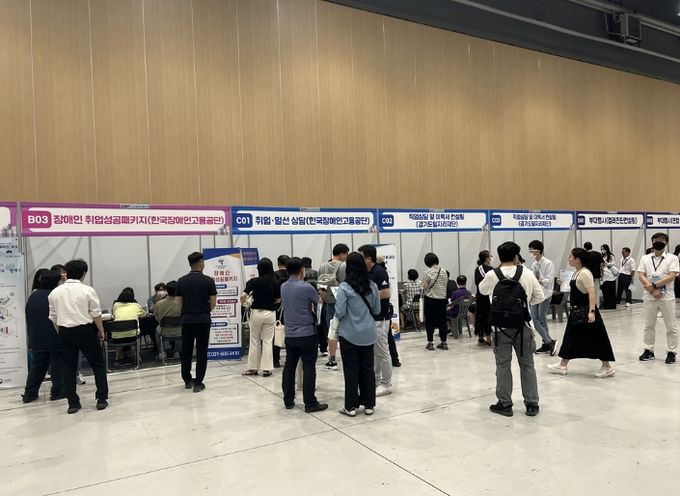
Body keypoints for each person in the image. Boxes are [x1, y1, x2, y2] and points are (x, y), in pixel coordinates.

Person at [479, 242, 543, 417]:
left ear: (499, 257)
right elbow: (539, 297)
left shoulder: (492, 274)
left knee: (503, 366)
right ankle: (532, 404)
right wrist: (525, 302)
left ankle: (505, 404)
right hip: (523, 327)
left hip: (500, 329)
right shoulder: (526, 273)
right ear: (516, 256)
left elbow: (482, 291)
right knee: (527, 365)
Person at [48, 259, 108, 414]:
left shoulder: (55, 292)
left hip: (64, 332)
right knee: (98, 364)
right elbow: (96, 313)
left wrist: (60, 331)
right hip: (85, 331)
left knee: (68, 368)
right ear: (83, 274)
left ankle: (73, 403)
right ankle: (101, 399)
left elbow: (53, 317)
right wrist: (101, 330)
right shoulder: (87, 290)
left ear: (66, 273)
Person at [548, 248, 615, 377]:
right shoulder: (577, 272)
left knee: (598, 339)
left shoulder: (585, 273)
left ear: (578, 259)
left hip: (586, 312)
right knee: (570, 338)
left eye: (570, 256)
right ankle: (562, 365)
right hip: (577, 312)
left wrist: (592, 311)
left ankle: (607, 366)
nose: (569, 258)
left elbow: (591, 293)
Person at [334, 252, 381, 417]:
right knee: (368, 369)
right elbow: (377, 310)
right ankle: (369, 405)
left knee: (351, 371)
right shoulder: (372, 286)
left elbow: (340, 312)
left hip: (349, 335)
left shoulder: (344, 287)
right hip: (368, 334)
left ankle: (351, 406)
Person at [280, 257, 327, 412]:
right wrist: (322, 295)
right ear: (302, 270)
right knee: (309, 367)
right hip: (307, 333)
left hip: (290, 335)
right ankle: (310, 403)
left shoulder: (283, 287)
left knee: (289, 367)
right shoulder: (306, 287)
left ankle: (288, 400)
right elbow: (318, 301)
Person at [176, 252, 217, 392]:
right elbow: (213, 302)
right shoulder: (209, 281)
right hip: (203, 320)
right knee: (202, 351)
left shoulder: (181, 281)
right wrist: (204, 311)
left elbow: (178, 303)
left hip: (187, 320)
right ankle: (198, 383)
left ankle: (187, 380)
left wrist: (187, 311)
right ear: (200, 263)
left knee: (186, 350)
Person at [22, 270, 64, 403]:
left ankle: (30, 393)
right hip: (54, 336)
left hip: (36, 337)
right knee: (58, 365)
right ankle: (57, 392)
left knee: (38, 366)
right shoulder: (55, 296)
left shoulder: (33, 296)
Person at [637, 233, 678, 364]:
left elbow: (672, 276)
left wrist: (654, 285)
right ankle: (649, 350)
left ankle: (672, 352)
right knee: (649, 325)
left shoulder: (672, 258)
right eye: (655, 239)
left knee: (671, 326)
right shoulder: (645, 258)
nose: (658, 241)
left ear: (666, 242)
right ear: (652, 242)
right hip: (649, 297)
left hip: (667, 297)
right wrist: (652, 289)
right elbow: (641, 275)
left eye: (661, 239)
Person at [358, 245, 393, 397]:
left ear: (368, 258)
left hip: (381, 318)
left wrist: (367, 294)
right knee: (375, 353)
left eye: (361, 257)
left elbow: (386, 293)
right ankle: (376, 380)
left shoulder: (379, 272)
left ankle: (386, 384)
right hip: (370, 318)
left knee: (383, 352)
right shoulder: (366, 272)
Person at [240, 258, 280, 377]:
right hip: (270, 313)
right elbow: (279, 299)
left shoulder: (253, 281)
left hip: (256, 313)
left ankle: (253, 368)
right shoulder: (275, 281)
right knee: (267, 341)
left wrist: (245, 302)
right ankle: (267, 369)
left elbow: (243, 296)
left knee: (254, 340)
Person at [317, 243, 349, 370]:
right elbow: (346, 285)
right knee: (345, 330)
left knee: (332, 331)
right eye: (346, 254)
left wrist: (325, 297)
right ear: (341, 254)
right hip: (342, 303)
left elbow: (320, 286)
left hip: (329, 303)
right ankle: (347, 356)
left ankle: (332, 358)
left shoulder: (322, 266)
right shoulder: (344, 266)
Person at [528, 240, 558, 355]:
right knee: (537, 319)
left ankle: (548, 342)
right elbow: (532, 278)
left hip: (545, 294)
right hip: (535, 294)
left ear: (539, 250)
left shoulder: (548, 263)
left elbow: (549, 280)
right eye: (530, 250)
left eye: (532, 250)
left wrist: (538, 280)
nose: (531, 252)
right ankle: (547, 342)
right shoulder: (534, 264)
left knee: (539, 320)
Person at [421, 252, 449, 351]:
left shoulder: (427, 272)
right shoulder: (444, 271)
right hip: (442, 300)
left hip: (430, 299)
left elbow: (424, 287)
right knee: (442, 321)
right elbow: (445, 284)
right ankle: (444, 342)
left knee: (430, 321)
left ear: (427, 262)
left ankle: (430, 342)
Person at [111, 287, 146, 363]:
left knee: (120, 333)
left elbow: (113, 315)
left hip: (116, 337)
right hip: (133, 336)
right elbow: (144, 315)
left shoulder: (116, 305)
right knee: (138, 332)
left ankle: (117, 357)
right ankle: (137, 355)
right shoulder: (136, 305)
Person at [153, 280, 182, 358]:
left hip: (164, 331)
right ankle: (177, 352)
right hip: (180, 331)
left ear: (166, 291)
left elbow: (157, 318)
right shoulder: (183, 302)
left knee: (157, 328)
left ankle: (162, 352)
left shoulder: (159, 303)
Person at [273, 255, 290, 368]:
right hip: (291, 307)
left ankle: (276, 359)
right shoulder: (291, 275)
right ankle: (290, 358)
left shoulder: (274, 275)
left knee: (277, 331)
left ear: (278, 264)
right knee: (290, 333)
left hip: (277, 307)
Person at [474, 251, 493, 346]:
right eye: (490, 256)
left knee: (480, 316)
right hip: (487, 297)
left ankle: (480, 337)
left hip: (480, 297)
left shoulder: (478, 269)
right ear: (486, 258)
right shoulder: (489, 270)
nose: (491, 257)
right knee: (487, 317)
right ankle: (489, 339)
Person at [599, 244, 618, 310]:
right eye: (601, 249)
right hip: (604, 276)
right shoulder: (601, 256)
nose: (602, 250)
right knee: (605, 292)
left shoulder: (611, 256)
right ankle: (606, 305)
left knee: (611, 292)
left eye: (603, 249)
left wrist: (606, 263)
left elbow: (612, 265)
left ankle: (612, 305)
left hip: (611, 276)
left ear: (607, 249)